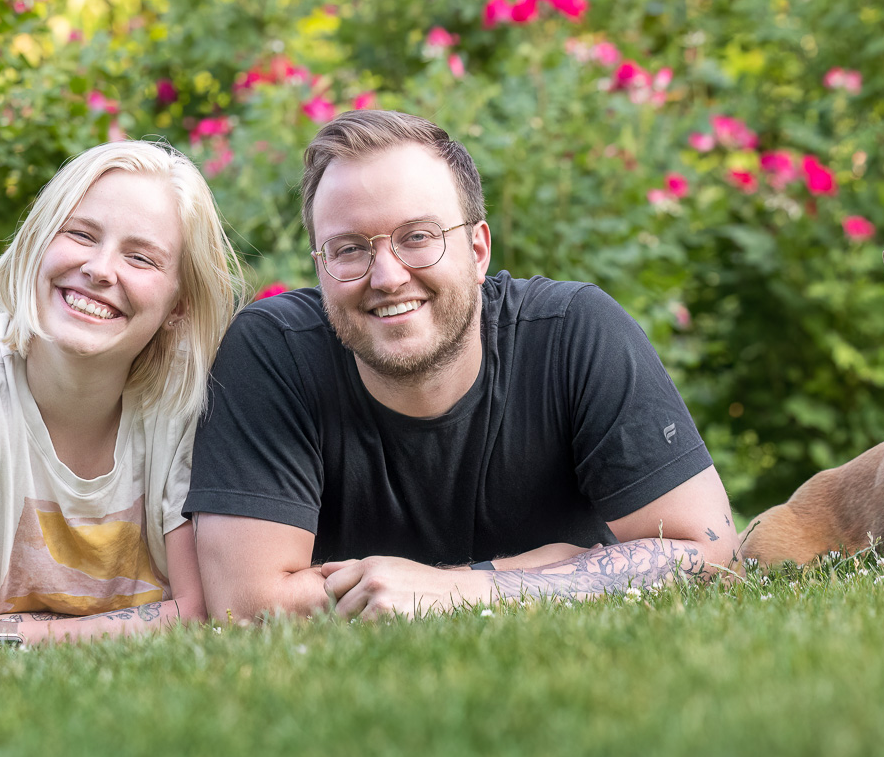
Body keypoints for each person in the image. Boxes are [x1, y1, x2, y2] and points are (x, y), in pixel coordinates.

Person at [186, 109, 737, 620]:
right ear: (320, 266)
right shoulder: (273, 352)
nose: (387, 276)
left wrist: (462, 588)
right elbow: (247, 604)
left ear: (478, 250)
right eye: (349, 249)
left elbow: (708, 551)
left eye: (418, 238)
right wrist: (549, 569)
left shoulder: (573, 332)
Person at [0, 141, 242, 648]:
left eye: (141, 257)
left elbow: (199, 614)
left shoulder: (193, 401)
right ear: (38, 242)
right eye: (81, 234)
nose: (101, 269)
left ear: (180, 304)